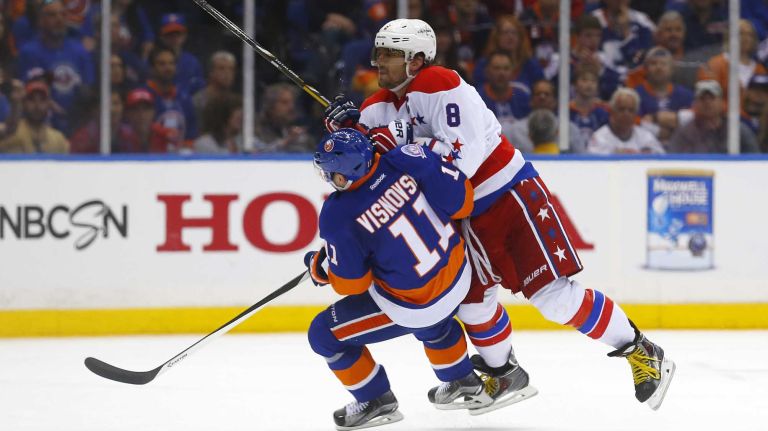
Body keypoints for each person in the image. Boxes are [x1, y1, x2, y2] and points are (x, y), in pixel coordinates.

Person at [323, 18, 675, 411]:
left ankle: (640, 349)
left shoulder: (442, 85)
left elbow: (462, 162)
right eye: (379, 53)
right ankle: (507, 376)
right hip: (462, 217)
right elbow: (366, 166)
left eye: (391, 54)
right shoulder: (377, 107)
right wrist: (349, 132)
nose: (379, 61)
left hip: (507, 196)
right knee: (472, 302)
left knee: (552, 297)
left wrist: (402, 140)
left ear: (417, 60)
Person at [306, 129, 495, 430]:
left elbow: (352, 285)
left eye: (331, 174)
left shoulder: (338, 214)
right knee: (434, 319)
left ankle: (375, 400)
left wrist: (325, 269)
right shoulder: (407, 157)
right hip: (458, 275)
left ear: (344, 176)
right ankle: (462, 380)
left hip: (419, 304)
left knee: (323, 335)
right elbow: (463, 202)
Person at [668, 80, 759, 154]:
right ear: (695, 104)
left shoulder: (738, 130)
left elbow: (754, 160)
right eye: (702, 98)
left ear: (721, 102)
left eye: (712, 97)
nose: (707, 102)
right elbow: (676, 162)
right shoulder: (685, 133)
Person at [587, 87, 665, 154]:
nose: (626, 114)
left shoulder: (647, 138)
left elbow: (662, 162)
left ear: (636, 114)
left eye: (631, 110)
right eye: (621, 109)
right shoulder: (599, 138)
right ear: (612, 111)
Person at [0, 80, 68, 153]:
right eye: (31, 99)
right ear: (24, 103)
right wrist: (16, 104)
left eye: (42, 100)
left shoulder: (58, 140)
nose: (37, 105)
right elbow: (9, 129)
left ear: (49, 104)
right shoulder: (10, 133)